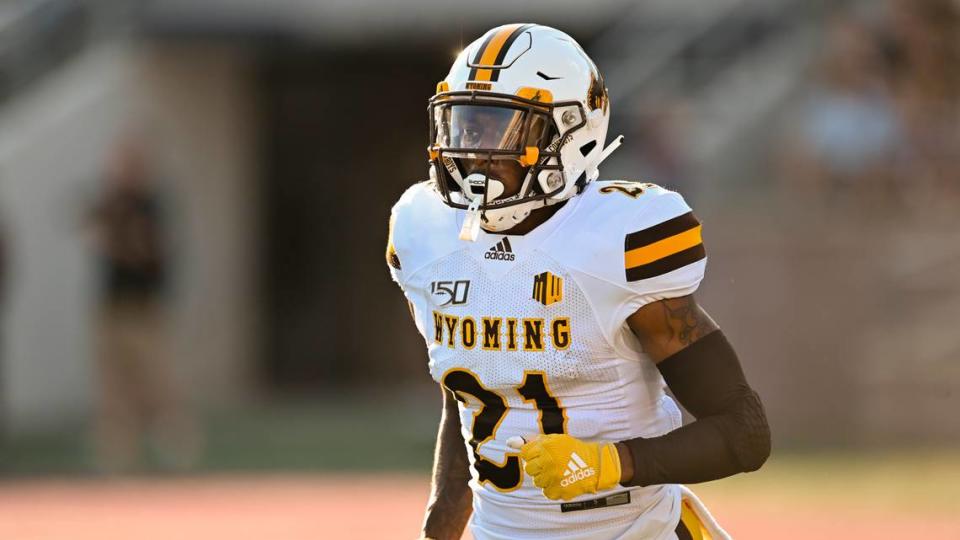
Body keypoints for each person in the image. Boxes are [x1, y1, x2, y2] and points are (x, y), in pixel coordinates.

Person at [387, 24, 770, 540]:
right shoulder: (425, 231)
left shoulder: (617, 239)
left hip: (633, 531)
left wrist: (613, 463)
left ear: (570, 134)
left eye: (502, 130)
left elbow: (743, 432)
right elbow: (467, 390)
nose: (474, 153)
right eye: (466, 127)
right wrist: (441, 524)